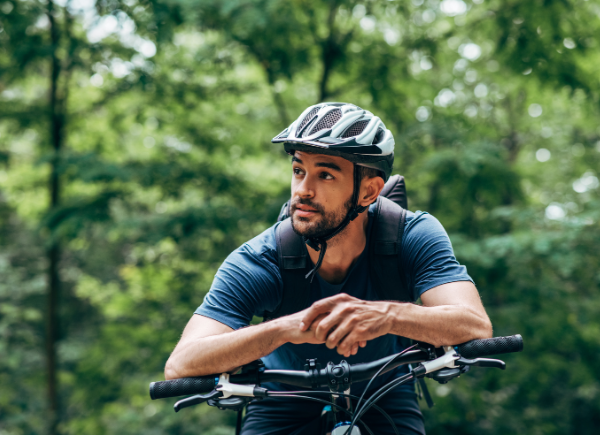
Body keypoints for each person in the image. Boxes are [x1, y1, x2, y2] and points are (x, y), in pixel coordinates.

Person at [164, 102, 493, 434]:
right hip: (281, 400)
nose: (303, 190)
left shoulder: (411, 236)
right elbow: (181, 363)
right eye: (298, 171)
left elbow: (474, 324)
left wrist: (387, 316)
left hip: (384, 393)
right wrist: (283, 329)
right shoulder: (261, 259)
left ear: (369, 191)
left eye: (325, 174)